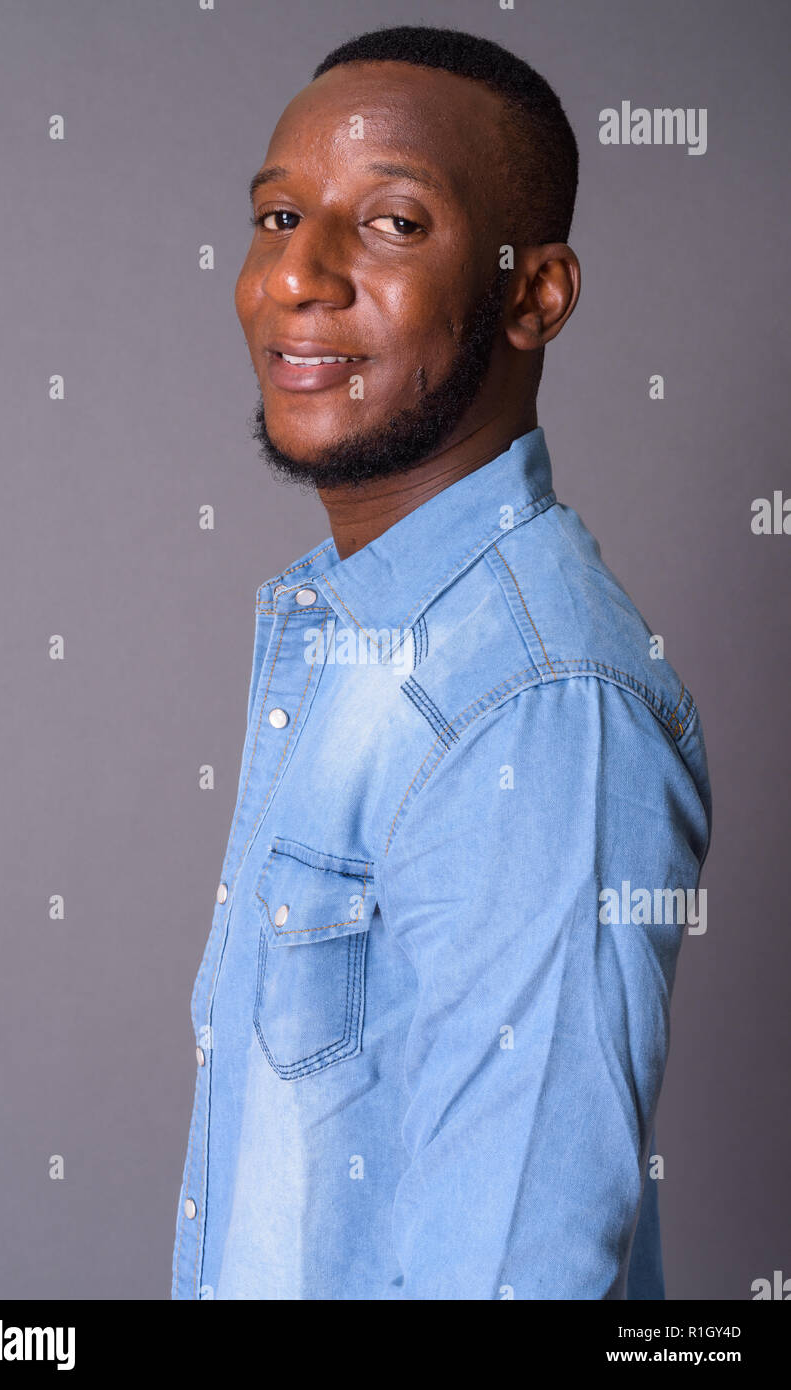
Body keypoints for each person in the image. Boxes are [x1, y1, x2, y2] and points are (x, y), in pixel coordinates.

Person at [172, 24, 711, 1300]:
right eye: (279, 214)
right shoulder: (352, 632)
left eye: (395, 223)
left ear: (537, 295)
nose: (298, 274)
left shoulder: (540, 706)